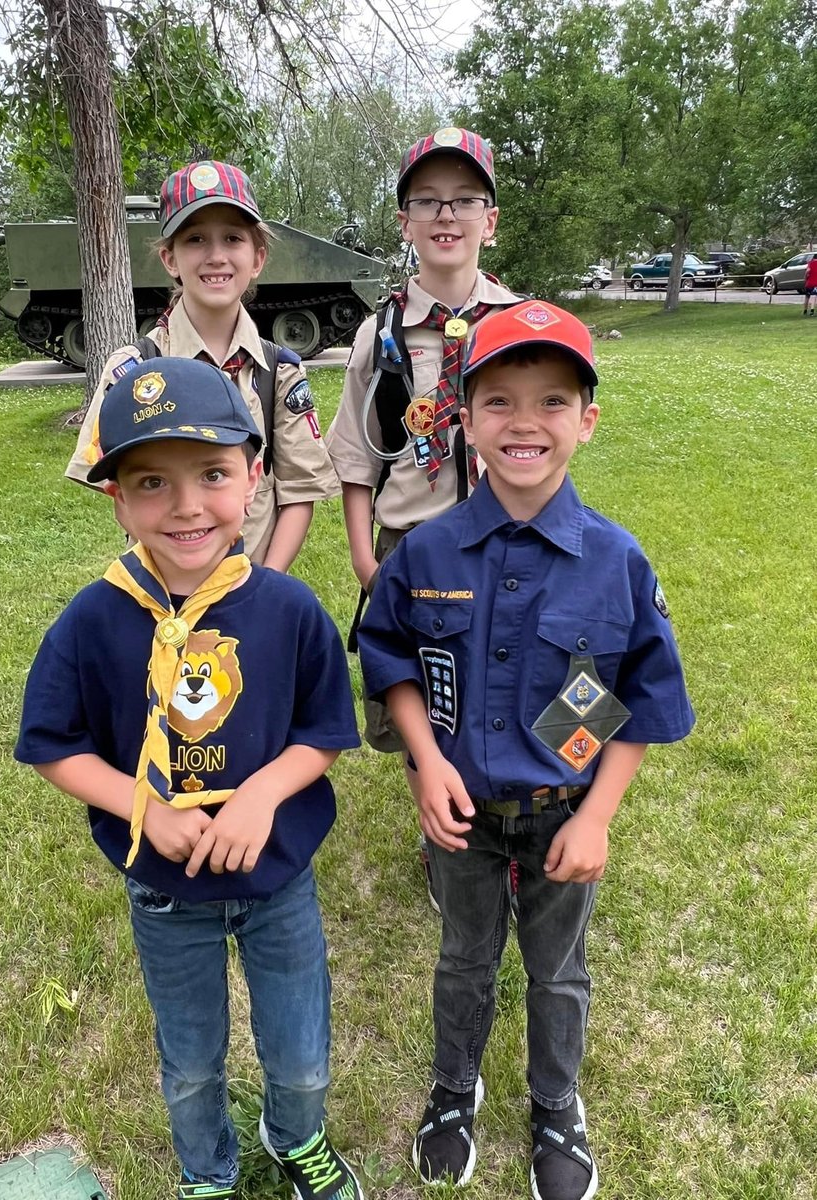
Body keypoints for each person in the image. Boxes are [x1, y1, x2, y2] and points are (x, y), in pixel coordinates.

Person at [358, 301, 695, 1200]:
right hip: (461, 816)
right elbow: (388, 655)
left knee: (558, 971)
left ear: (586, 420)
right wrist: (427, 764)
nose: (524, 423)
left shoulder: (615, 562)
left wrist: (598, 817)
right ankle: (451, 1093)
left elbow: (644, 698)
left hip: (562, 820)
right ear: (466, 420)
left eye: (552, 402)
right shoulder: (426, 550)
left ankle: (556, 1103)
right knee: (464, 961)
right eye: (499, 401)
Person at [17, 357, 363, 1200]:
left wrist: (259, 794)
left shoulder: (288, 610)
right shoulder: (94, 618)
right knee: (191, 1058)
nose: (185, 507)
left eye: (212, 474)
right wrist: (145, 809)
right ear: (117, 499)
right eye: (151, 483)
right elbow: (53, 743)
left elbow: (323, 732)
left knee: (300, 1049)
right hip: (165, 888)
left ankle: (296, 1137)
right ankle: (205, 1170)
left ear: (255, 477)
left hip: (276, 877)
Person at [325, 128, 521, 909]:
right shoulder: (378, 334)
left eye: (465, 200)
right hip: (412, 545)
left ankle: (503, 832)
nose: (447, 215)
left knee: (500, 684)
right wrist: (364, 559)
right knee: (422, 696)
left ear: (491, 219)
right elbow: (355, 457)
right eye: (428, 201)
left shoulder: (520, 322)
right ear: (405, 221)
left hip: (505, 536)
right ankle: (439, 834)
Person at [67, 160, 339, 570]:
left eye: (232, 238)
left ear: (258, 257)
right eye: (195, 239)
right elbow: (117, 489)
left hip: (252, 588)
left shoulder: (277, 372)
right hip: (161, 597)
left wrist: (265, 587)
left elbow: (299, 492)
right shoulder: (133, 371)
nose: (215, 256)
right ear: (170, 259)